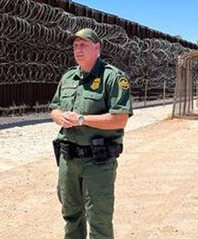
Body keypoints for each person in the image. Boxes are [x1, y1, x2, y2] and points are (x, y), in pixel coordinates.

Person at [49, 28, 133, 239]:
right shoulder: (68, 77)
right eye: (75, 46)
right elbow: (54, 107)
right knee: (71, 216)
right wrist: (58, 116)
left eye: (83, 45)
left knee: (99, 219)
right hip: (68, 159)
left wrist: (82, 119)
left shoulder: (112, 78)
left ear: (97, 48)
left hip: (98, 162)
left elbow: (120, 118)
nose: (78, 50)